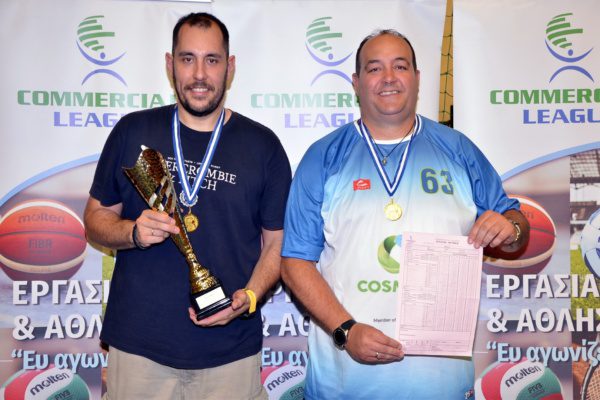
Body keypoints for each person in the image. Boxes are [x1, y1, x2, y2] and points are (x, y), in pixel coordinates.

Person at [280, 30, 530, 399]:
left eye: (400, 66)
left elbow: (517, 228)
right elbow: (294, 262)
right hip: (346, 384)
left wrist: (510, 227)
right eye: (374, 68)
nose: (388, 78)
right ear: (356, 82)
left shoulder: (458, 149)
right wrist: (346, 330)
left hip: (440, 384)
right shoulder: (324, 156)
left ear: (417, 77)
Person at [84, 12, 291, 400]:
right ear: (170, 64)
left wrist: (248, 298)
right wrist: (131, 232)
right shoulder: (133, 131)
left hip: (231, 352)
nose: (199, 74)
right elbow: (95, 219)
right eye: (187, 59)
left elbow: (278, 244)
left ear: (230, 67)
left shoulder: (263, 146)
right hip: (139, 349)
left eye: (212, 60)